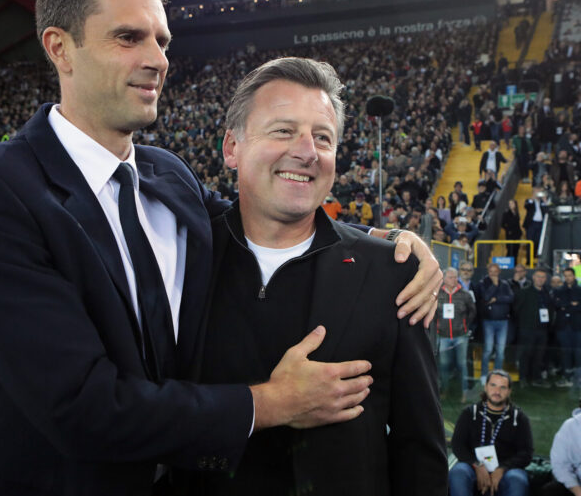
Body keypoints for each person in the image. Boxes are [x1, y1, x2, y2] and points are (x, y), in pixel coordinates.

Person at [0, 0, 441, 495]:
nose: (158, 59)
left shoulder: (169, 179)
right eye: (128, 37)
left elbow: (270, 215)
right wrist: (273, 402)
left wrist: (392, 249)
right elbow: (80, 405)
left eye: (162, 40)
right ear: (60, 48)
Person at [183, 57, 446, 495]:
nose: (306, 151)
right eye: (283, 130)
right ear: (232, 148)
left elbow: (419, 448)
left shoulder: (391, 274)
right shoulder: (181, 260)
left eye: (322, 137)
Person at [449, 371, 533, 496]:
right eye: (493, 385)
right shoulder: (469, 413)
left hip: (507, 470)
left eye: (502, 387)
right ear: (486, 387)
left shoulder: (519, 418)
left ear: (509, 391)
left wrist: (502, 469)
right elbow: (458, 445)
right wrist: (477, 465)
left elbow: (526, 452)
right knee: (458, 472)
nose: (497, 391)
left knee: (517, 480)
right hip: (473, 467)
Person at [438, 267, 476, 403]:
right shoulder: (438, 294)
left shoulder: (465, 294)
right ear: (444, 279)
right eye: (451, 277)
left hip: (461, 336)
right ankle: (445, 390)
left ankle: (464, 392)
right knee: (443, 365)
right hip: (443, 336)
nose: (454, 279)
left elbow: (472, 312)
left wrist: (465, 326)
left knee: (462, 365)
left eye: (455, 277)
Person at [475, 264, 514, 384]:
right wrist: (494, 285)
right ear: (488, 271)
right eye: (491, 271)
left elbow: (511, 298)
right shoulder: (483, 283)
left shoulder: (505, 284)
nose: (493, 274)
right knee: (488, 349)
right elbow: (486, 297)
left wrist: (496, 299)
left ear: (499, 271)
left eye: (495, 271)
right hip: (489, 321)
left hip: (503, 321)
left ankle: (498, 375)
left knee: (500, 351)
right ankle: (484, 375)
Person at [514, 268, 553, 387]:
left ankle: (537, 378)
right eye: (538, 276)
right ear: (533, 278)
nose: (540, 279)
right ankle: (523, 378)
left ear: (545, 279)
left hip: (542, 329)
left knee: (539, 355)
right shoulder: (524, 292)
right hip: (527, 329)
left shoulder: (547, 293)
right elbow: (516, 310)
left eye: (543, 277)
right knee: (525, 354)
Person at [554, 268, 581, 386]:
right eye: (566, 275)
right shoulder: (558, 291)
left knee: (579, 353)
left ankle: (579, 379)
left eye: (570, 275)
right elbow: (557, 304)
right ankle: (566, 377)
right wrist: (572, 304)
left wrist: (566, 306)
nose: (568, 278)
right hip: (563, 326)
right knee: (565, 352)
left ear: (574, 276)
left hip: (578, 327)